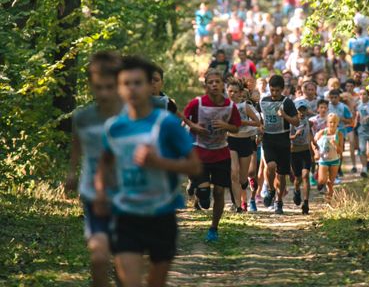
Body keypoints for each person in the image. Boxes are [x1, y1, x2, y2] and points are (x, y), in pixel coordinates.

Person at [95, 55, 202, 287]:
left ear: (150, 85)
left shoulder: (167, 123)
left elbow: (194, 166)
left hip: (161, 214)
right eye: (126, 83)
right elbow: (104, 165)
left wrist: (160, 163)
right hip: (125, 214)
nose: (132, 89)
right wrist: (101, 196)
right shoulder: (114, 127)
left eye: (138, 83)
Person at [65, 51, 123, 287]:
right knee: (99, 257)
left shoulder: (130, 116)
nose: (104, 93)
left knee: (123, 260)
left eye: (110, 87)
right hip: (92, 192)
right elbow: (77, 145)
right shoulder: (83, 117)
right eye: (98, 87)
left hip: (126, 194)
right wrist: (71, 172)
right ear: (91, 85)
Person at [183, 69, 242, 242]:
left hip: (221, 153)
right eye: (211, 82)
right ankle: (199, 190)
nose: (214, 85)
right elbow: (184, 117)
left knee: (218, 192)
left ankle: (213, 228)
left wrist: (225, 125)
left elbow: (236, 127)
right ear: (206, 85)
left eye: (217, 81)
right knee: (204, 194)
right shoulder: (197, 103)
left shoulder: (230, 106)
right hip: (200, 152)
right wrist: (194, 127)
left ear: (223, 84)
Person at [259, 74, 299, 214]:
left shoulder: (287, 102)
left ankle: (279, 201)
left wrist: (285, 116)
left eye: (277, 90)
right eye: (272, 90)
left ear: (282, 89)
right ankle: (270, 190)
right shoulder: (263, 101)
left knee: (282, 175)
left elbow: (296, 122)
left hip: (283, 141)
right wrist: (259, 127)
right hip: (268, 140)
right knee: (270, 165)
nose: (274, 93)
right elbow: (258, 118)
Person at [226, 81, 261, 212]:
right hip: (231, 141)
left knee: (242, 178)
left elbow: (257, 122)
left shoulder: (245, 106)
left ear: (240, 93)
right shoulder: (224, 106)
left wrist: (242, 122)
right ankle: (236, 205)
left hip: (245, 141)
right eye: (230, 91)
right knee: (233, 173)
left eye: (235, 91)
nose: (233, 94)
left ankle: (243, 195)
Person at [289, 99, 313, 214]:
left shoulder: (307, 121)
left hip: (305, 151)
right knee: (298, 178)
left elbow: (309, 133)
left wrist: (314, 146)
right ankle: (296, 190)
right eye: (300, 110)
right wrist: (294, 136)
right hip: (294, 152)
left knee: (306, 175)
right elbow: (286, 137)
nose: (302, 113)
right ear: (296, 111)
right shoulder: (291, 122)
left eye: (304, 110)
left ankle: (306, 203)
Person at [313, 113, 343, 200]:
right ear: (327, 123)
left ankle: (329, 201)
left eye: (334, 122)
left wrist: (336, 145)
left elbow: (340, 151)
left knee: (331, 183)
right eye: (330, 122)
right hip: (323, 160)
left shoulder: (339, 134)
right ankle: (319, 182)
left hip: (335, 160)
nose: (332, 124)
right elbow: (313, 142)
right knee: (322, 180)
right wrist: (316, 153)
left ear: (337, 123)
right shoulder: (322, 132)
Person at [327, 89, 352, 178]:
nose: (333, 99)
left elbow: (350, 120)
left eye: (335, 97)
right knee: (329, 150)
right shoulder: (327, 106)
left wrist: (342, 119)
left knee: (339, 151)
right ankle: (330, 169)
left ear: (339, 98)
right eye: (331, 97)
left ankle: (339, 168)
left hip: (341, 131)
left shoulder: (343, 107)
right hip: (328, 132)